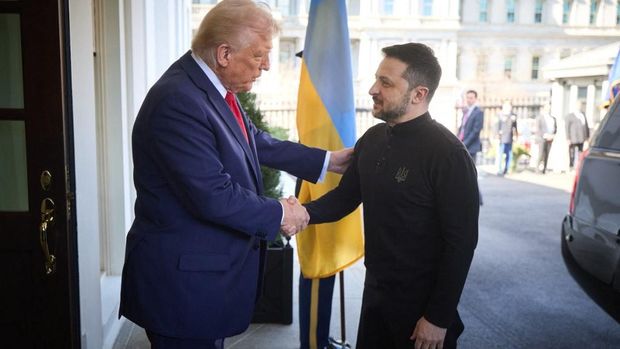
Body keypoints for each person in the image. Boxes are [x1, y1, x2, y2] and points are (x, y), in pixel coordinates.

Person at [119, 1, 351, 347]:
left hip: (201, 281)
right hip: (183, 289)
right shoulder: (178, 100)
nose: (268, 66)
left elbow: (252, 140)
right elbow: (214, 195)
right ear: (224, 53)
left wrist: (329, 160)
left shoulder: (207, 85)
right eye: (259, 55)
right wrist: (281, 214)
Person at [300, 43, 479, 349]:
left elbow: (461, 244)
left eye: (386, 83)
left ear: (418, 94)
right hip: (375, 299)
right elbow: (344, 199)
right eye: (376, 79)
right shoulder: (372, 139)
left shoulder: (448, 154)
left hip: (422, 313)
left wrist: (438, 317)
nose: (372, 89)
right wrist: (296, 214)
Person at [458, 90, 484, 163]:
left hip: (471, 146)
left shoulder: (478, 112)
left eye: (471, 98)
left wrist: (465, 143)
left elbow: (476, 131)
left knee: (470, 171)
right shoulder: (466, 110)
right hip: (462, 142)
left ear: (475, 99)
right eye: (467, 98)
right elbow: (462, 127)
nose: (468, 100)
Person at [565, 100, 589, 170]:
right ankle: (571, 166)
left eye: (581, 105)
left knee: (580, 153)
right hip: (573, 138)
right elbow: (567, 127)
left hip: (582, 138)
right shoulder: (570, 116)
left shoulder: (583, 114)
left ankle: (579, 166)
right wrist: (568, 138)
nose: (580, 107)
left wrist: (587, 136)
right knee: (572, 153)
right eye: (578, 105)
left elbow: (586, 126)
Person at [497, 100, 518, 175]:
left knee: (509, 154)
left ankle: (507, 169)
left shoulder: (513, 115)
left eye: (509, 106)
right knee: (500, 153)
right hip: (502, 137)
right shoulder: (500, 115)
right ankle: (499, 169)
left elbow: (515, 127)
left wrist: (516, 136)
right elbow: (497, 125)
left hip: (510, 137)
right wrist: (497, 134)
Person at [535, 103, 557, 174]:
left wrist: (552, 135)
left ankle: (544, 169)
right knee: (540, 154)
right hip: (542, 138)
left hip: (550, 138)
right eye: (547, 108)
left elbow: (555, 128)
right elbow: (538, 128)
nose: (548, 110)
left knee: (547, 154)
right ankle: (537, 169)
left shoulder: (553, 118)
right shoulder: (540, 118)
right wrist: (545, 135)